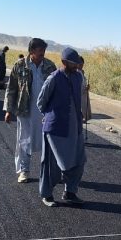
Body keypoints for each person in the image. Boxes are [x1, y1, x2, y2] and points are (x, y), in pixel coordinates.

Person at [37, 47, 87, 206]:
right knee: (52, 165)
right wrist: (49, 116)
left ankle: (70, 192)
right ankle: (47, 195)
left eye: (77, 63)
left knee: (79, 161)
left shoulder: (78, 77)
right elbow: (41, 102)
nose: (77, 66)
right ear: (64, 62)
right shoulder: (54, 78)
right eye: (74, 63)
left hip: (75, 127)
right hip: (55, 129)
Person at [3, 38, 56, 183]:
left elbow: (58, 89)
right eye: (40, 51)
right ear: (31, 52)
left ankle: (50, 172)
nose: (43, 54)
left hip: (46, 112)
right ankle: (24, 171)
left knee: (48, 141)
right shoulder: (20, 66)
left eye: (44, 51)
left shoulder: (50, 66)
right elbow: (11, 88)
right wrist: (8, 110)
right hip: (25, 110)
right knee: (24, 140)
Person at [77, 56, 92, 124]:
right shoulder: (76, 73)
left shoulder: (82, 73)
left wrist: (87, 87)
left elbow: (84, 83)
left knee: (84, 108)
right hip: (79, 95)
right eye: (80, 64)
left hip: (84, 95)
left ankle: (82, 119)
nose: (81, 66)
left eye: (82, 64)